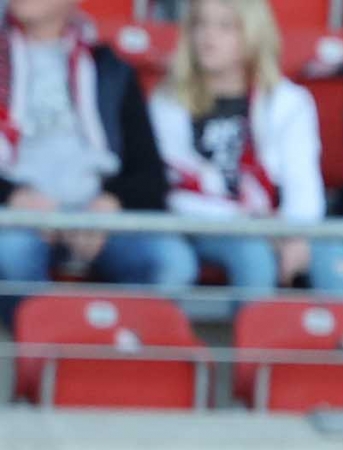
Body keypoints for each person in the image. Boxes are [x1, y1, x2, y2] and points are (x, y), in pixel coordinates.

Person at [0, 0, 197, 329]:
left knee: (172, 262)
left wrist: (110, 203)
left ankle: (118, 351)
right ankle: (47, 354)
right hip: (14, 217)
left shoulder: (109, 67)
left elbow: (149, 174)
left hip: (98, 216)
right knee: (11, 253)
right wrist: (13, 197)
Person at [150, 0, 343, 300]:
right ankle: (256, 333)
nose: (208, 37)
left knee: (336, 258)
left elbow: (303, 186)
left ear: (253, 34)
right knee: (253, 255)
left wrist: (294, 234)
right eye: (200, 25)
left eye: (225, 27)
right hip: (201, 224)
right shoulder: (168, 102)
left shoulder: (288, 102)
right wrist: (254, 224)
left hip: (275, 222)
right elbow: (178, 192)